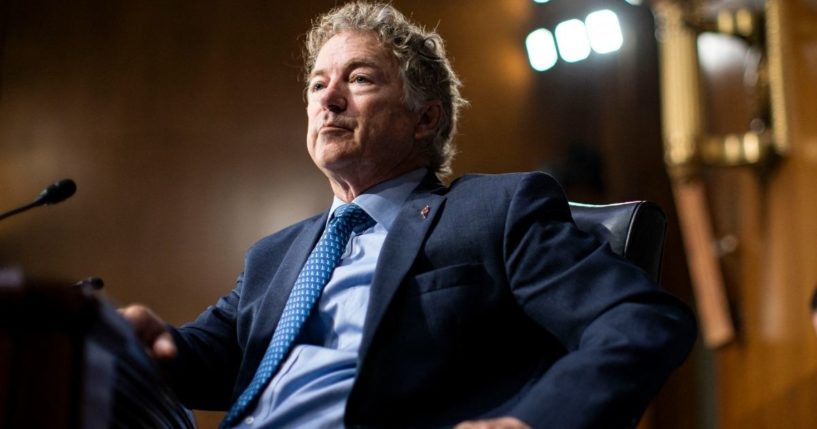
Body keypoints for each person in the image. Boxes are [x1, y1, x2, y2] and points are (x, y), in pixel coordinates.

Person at [121, 2, 697, 428]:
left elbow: (641, 318)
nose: (328, 98)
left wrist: (532, 423)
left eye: (360, 78)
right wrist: (142, 342)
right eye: (318, 84)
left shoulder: (493, 211)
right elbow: (200, 358)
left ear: (425, 119)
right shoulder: (272, 257)